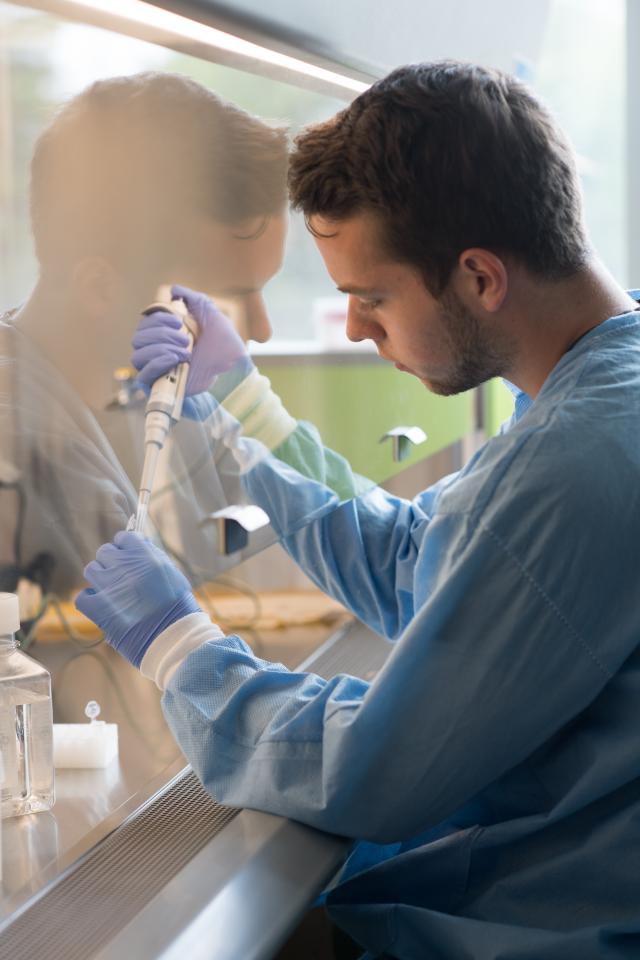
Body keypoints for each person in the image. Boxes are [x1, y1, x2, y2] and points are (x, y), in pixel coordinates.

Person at [77, 61, 640, 960]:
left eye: (370, 298)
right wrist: (234, 419)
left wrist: (181, 646)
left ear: (480, 278)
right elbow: (431, 566)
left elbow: (375, 772)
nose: (351, 330)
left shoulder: (582, 458)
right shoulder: (600, 384)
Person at [0, 71, 289, 602]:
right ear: (101, 288)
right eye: (229, 299)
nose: (261, 331)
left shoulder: (147, 396)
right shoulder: (17, 452)